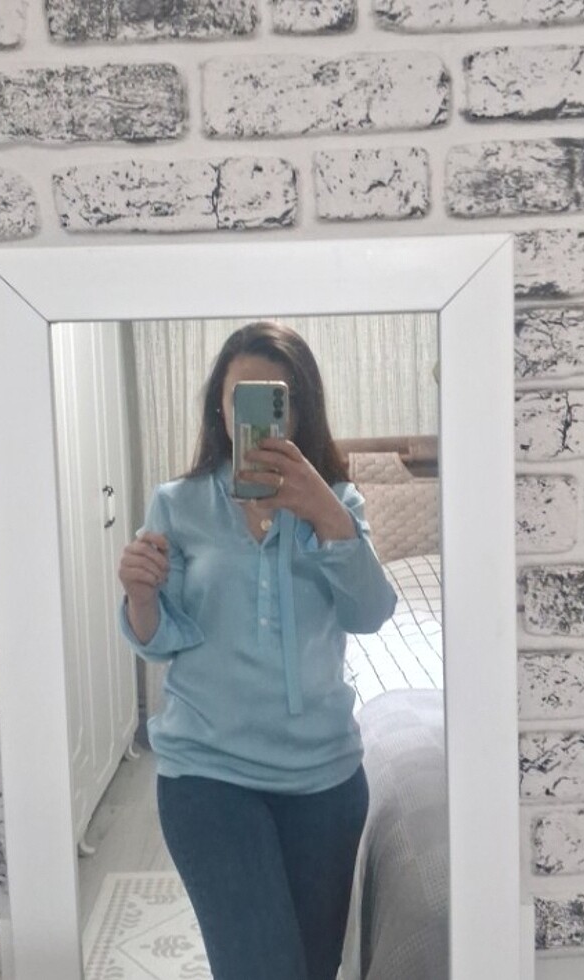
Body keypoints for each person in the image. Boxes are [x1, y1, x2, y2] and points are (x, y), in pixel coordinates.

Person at [118, 321, 397, 980]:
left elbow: (371, 614)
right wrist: (140, 595)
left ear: (300, 410)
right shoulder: (178, 503)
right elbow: (162, 641)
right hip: (209, 774)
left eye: (277, 400)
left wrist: (327, 514)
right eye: (242, 397)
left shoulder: (339, 503)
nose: (259, 417)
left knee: (312, 970)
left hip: (326, 779)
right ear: (220, 407)